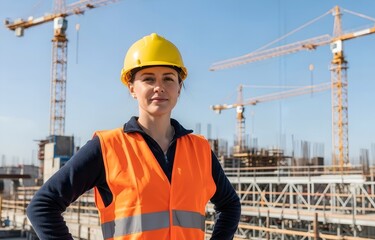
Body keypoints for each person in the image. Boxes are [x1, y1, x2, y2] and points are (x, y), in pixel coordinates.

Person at [26, 33, 241, 240]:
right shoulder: (107, 146)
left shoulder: (200, 150)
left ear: (179, 88)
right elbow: (42, 206)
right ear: (131, 88)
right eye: (148, 79)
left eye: (168, 79)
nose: (159, 87)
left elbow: (230, 205)